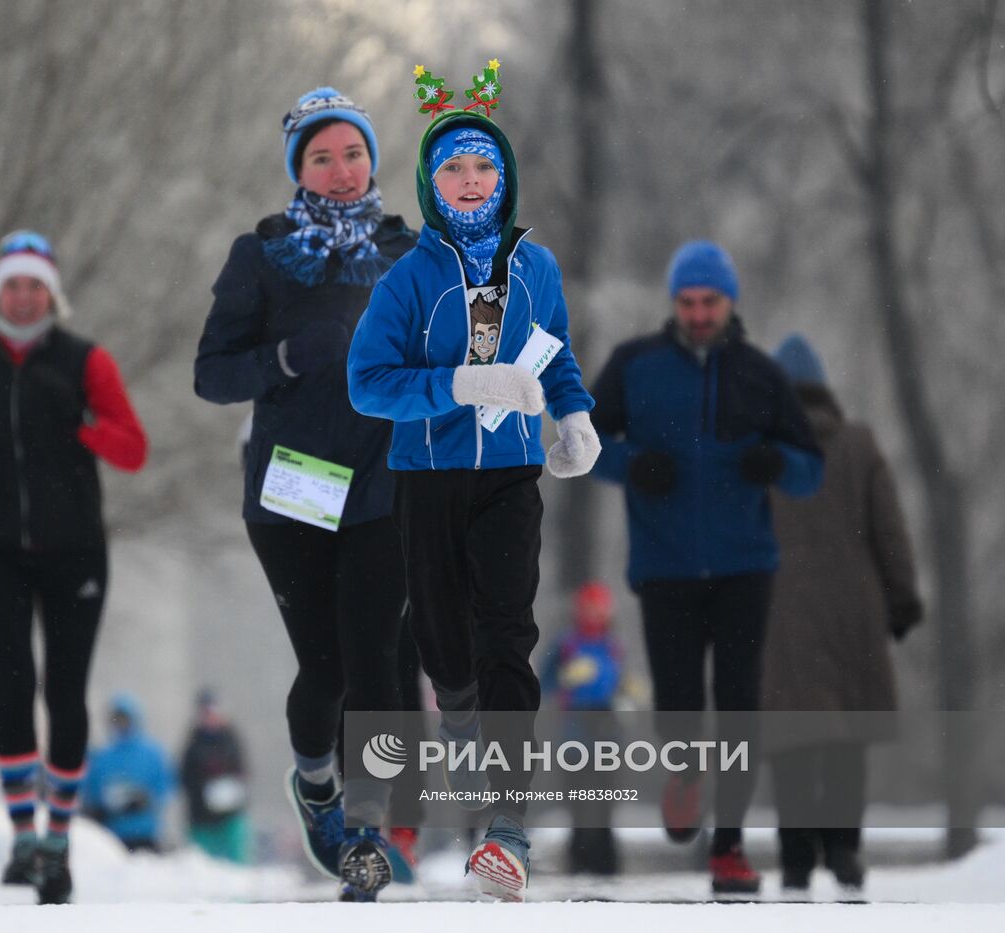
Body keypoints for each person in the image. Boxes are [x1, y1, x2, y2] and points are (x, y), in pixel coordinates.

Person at [347, 61, 603, 901]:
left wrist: (574, 415)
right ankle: (460, 727)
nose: (469, 179)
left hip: (509, 479)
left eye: (483, 165)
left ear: (505, 176)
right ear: (429, 181)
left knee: (508, 638)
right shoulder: (409, 279)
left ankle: (508, 828)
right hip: (426, 477)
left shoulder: (537, 268)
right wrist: (456, 384)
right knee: (445, 651)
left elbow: (553, 348)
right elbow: (366, 382)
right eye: (453, 166)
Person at [194, 87, 416, 901]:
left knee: (377, 661)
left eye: (352, 152)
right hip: (294, 485)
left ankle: (367, 828)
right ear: (300, 168)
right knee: (323, 666)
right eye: (321, 157)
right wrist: (287, 356)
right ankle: (316, 780)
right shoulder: (263, 253)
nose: (340, 170)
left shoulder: (408, 254)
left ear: (372, 159)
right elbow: (211, 374)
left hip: (387, 482)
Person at [587, 240, 824, 894]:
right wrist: (632, 464)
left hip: (745, 565)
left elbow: (810, 470)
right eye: (687, 302)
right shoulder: (634, 365)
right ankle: (685, 774)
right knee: (681, 704)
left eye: (709, 302)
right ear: (673, 302)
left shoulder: (760, 374)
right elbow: (580, 441)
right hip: (664, 566)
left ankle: (729, 845)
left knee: (741, 701)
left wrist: (778, 464)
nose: (697, 314)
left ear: (730, 301)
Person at [0, 229, 148, 905]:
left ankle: (58, 840)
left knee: (64, 692)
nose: (24, 296)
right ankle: (22, 839)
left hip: (75, 552)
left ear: (52, 294)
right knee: (13, 681)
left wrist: (81, 423)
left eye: (36, 285)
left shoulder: (86, 361)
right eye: (13, 285)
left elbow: (133, 448)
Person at [761, 333, 923, 894]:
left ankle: (797, 856)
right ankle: (844, 847)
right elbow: (890, 531)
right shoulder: (858, 445)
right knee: (845, 738)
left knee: (792, 738)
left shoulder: (762, 453)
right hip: (854, 609)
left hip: (779, 613)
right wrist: (901, 601)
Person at [540, 581, 624, 875]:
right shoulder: (565, 644)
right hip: (575, 727)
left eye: (600, 607)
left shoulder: (613, 645)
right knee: (578, 795)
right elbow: (545, 683)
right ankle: (579, 855)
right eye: (590, 607)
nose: (595, 613)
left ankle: (605, 857)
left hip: (606, 727)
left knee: (604, 796)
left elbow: (619, 684)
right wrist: (566, 677)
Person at [84, 693, 176, 852]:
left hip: (146, 833)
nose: (121, 724)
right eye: (117, 719)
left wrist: (145, 801)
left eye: (125, 719)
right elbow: (91, 792)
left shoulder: (152, 753)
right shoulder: (103, 756)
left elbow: (165, 785)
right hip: (112, 837)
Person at [179, 688, 252, 864]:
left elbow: (243, 773)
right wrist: (206, 790)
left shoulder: (232, 741)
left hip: (230, 817)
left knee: (238, 864)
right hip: (202, 820)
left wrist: (229, 790)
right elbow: (186, 779)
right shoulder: (193, 745)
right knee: (205, 865)